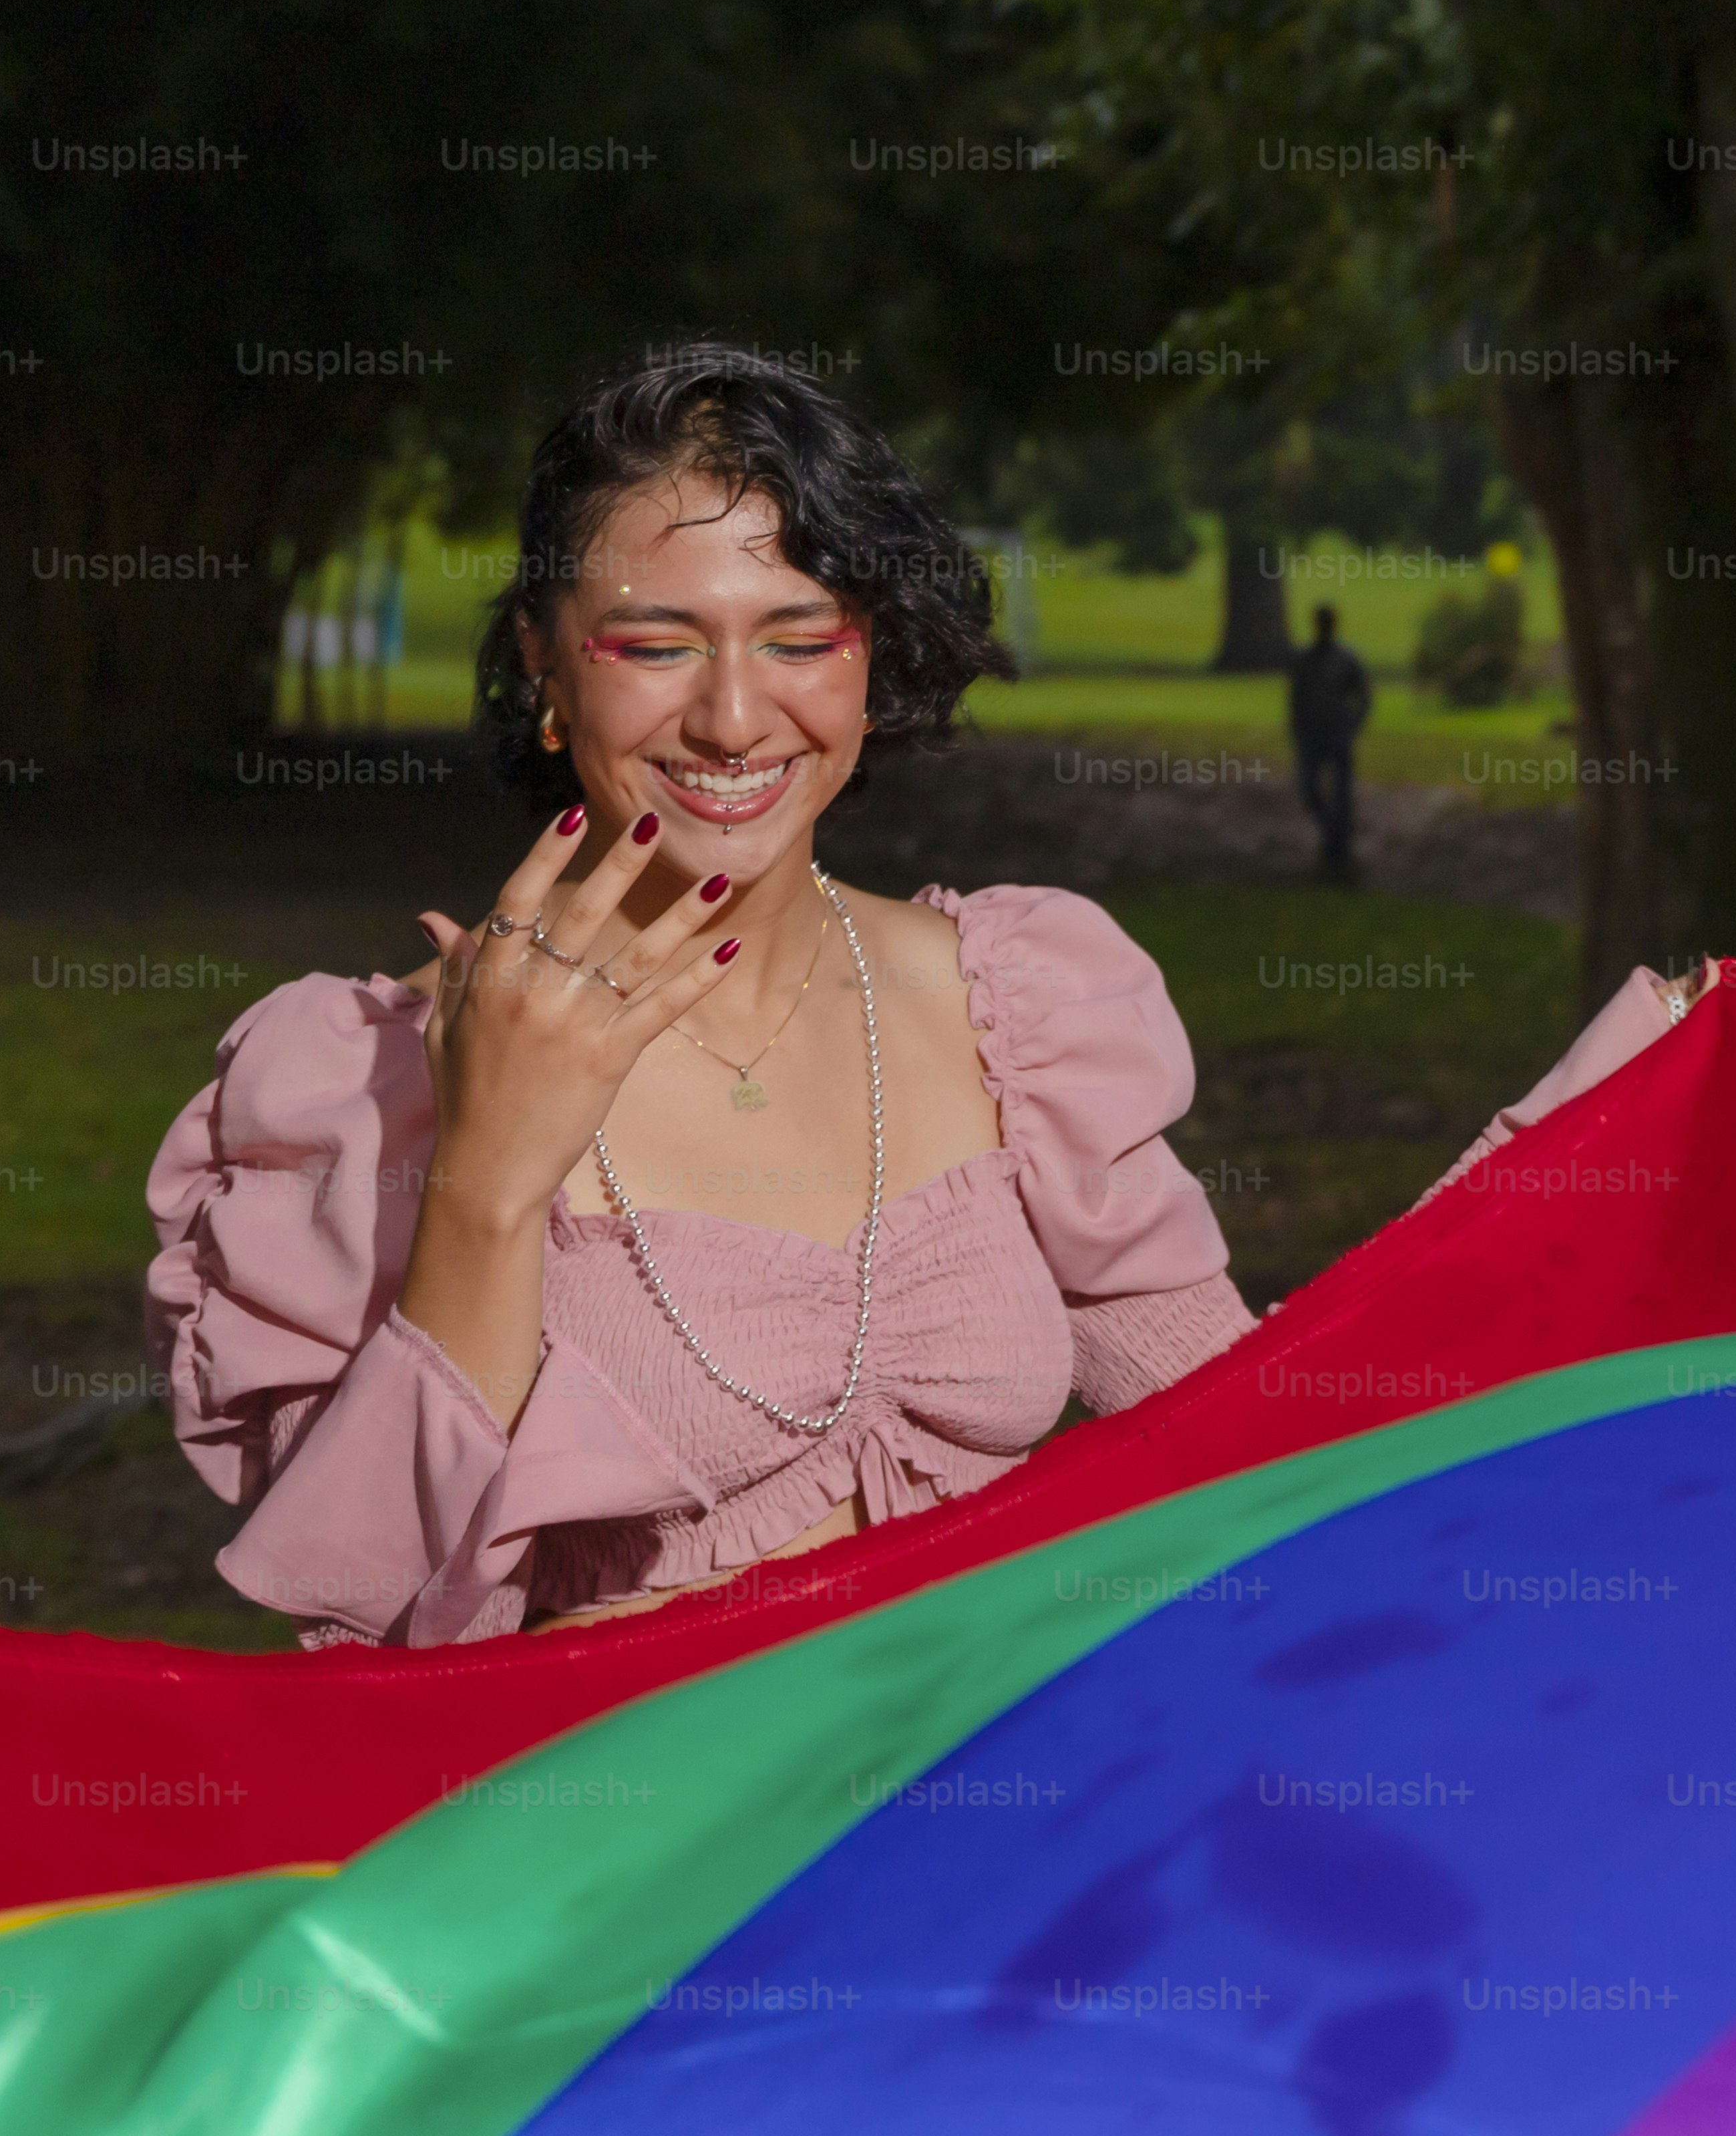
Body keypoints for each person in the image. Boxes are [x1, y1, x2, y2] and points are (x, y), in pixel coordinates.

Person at [146, 346, 1256, 1647]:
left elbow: (1240, 1439)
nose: (735, 721)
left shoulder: (1013, 1000)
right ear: (544, 668)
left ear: (866, 655)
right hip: (637, 1829)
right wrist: (492, 1177)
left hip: (995, 1811)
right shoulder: (361, 1085)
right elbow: (384, 1630)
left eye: (799, 638)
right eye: (656, 644)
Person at [1286, 600, 1372, 883]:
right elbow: (1295, 698)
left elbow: (1363, 695)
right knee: (1310, 790)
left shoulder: (1345, 659)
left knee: (1342, 795)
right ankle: (1334, 836)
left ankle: (1340, 852)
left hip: (1337, 733)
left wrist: (1354, 724)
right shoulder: (1305, 659)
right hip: (1312, 734)